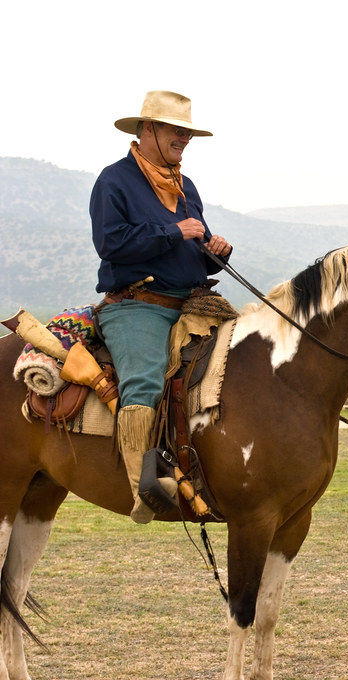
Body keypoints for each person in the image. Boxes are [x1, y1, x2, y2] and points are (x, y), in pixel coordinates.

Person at [90, 90, 233, 524]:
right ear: (147, 129)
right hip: (138, 305)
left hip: (191, 302)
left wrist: (216, 251)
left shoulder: (185, 186)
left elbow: (194, 247)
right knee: (144, 382)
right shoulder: (113, 180)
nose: (184, 139)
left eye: (187, 132)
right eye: (176, 130)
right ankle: (142, 492)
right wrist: (174, 232)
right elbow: (109, 243)